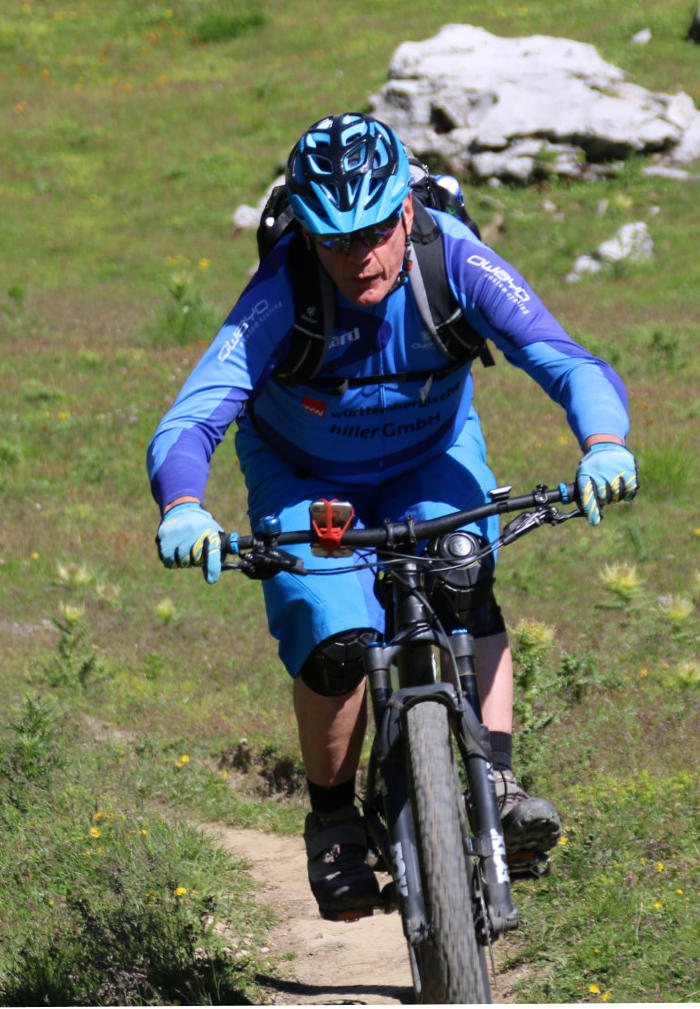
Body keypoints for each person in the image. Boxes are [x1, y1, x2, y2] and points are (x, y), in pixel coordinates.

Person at [147, 113, 638, 921]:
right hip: (303, 472)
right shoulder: (284, 289)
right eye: (337, 240)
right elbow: (193, 418)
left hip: (429, 455)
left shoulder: (454, 261)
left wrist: (604, 443)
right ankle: (333, 820)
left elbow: (567, 360)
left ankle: (498, 779)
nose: (362, 257)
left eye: (377, 231)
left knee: (462, 571)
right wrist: (183, 504)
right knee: (335, 639)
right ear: (308, 232)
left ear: (407, 209)